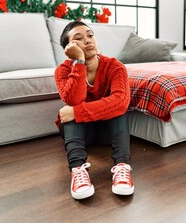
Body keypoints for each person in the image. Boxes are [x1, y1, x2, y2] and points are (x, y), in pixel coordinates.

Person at [54, 20, 134, 200]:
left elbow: (120, 102)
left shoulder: (116, 67)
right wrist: (79, 62)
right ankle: (77, 171)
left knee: (117, 108)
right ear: (69, 48)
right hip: (81, 133)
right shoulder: (62, 71)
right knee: (71, 108)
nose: (88, 41)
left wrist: (77, 112)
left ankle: (122, 167)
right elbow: (74, 99)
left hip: (108, 132)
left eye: (90, 35)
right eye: (79, 38)